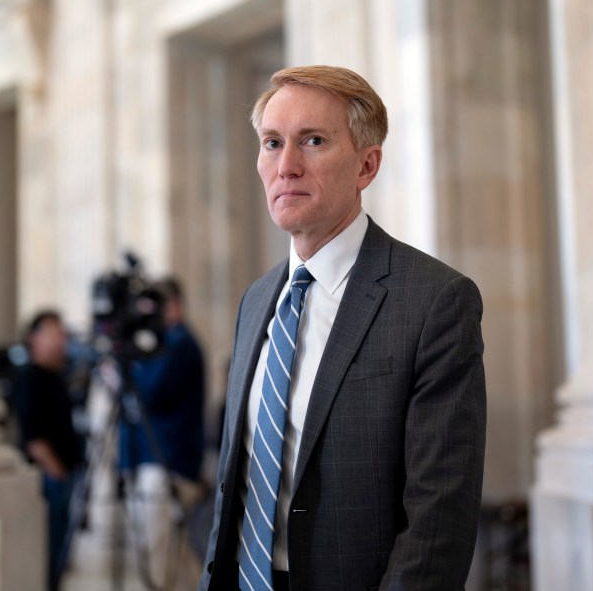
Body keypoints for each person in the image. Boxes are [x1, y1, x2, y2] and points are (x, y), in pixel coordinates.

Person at [199, 66, 486, 591]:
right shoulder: (257, 300)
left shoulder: (434, 301)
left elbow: (440, 513)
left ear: (366, 165)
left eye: (313, 141)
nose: (286, 166)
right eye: (271, 143)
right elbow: (236, 484)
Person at [119, 276, 206, 586]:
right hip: (153, 460)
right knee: (177, 561)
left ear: (175, 306)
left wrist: (127, 369)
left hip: (165, 464)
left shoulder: (179, 343)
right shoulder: (164, 343)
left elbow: (151, 394)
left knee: (157, 560)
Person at [14, 310, 82, 591]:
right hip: (50, 477)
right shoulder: (31, 377)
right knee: (48, 551)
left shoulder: (57, 376)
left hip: (64, 474)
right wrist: (56, 472)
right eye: (53, 332)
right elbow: (32, 434)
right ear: (34, 338)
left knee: (60, 552)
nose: (60, 339)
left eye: (62, 332)